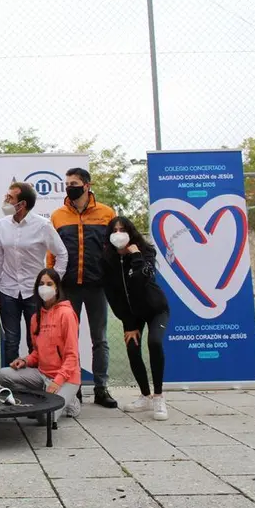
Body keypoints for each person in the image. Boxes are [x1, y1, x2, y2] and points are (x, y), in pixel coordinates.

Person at [49, 168, 118, 408]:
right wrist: (52, 281)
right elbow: (52, 251)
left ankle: (101, 388)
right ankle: (73, 388)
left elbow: (113, 249)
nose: (70, 187)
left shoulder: (107, 213)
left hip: (97, 285)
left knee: (100, 339)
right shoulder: (57, 216)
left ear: (87, 185)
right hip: (68, 287)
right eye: (67, 183)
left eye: (74, 182)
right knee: (69, 340)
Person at [0, 182, 68, 366]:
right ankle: (11, 386)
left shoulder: (42, 225)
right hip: (8, 291)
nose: (6, 200)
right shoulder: (2, 225)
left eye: (10, 198)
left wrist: (52, 284)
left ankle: (35, 385)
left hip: (34, 292)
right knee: (10, 341)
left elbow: (62, 254)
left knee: (35, 340)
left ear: (22, 204)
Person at [102, 217, 170, 421]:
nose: (119, 233)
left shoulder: (146, 251)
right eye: (115, 230)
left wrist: (136, 256)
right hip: (131, 314)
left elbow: (143, 278)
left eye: (123, 229)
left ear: (130, 233)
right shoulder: (107, 259)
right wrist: (129, 324)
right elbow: (112, 296)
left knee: (155, 343)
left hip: (156, 308)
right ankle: (145, 395)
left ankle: (158, 396)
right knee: (133, 348)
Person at [0, 268, 82, 424]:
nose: (45, 287)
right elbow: (37, 352)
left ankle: (71, 401)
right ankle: (43, 397)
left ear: (57, 287)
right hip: (42, 375)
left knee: (45, 419)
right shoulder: (36, 317)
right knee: (4, 374)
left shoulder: (67, 314)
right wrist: (25, 361)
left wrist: (57, 382)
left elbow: (72, 356)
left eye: (49, 283)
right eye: (41, 284)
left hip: (67, 378)